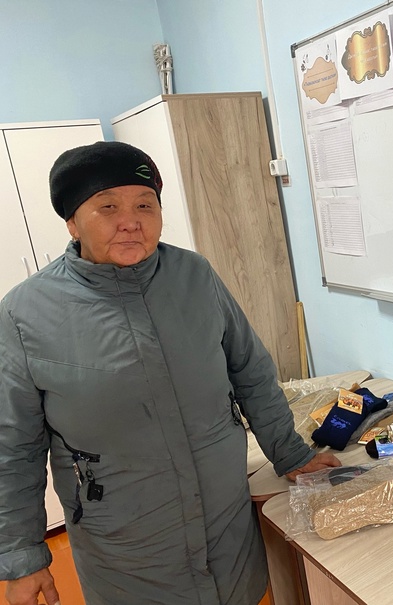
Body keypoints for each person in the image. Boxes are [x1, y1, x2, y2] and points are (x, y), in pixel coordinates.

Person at [0, 141, 341, 605]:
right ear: (72, 222)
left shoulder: (195, 276)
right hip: (124, 543)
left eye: (145, 205)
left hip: (225, 521)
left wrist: (291, 454)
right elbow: (14, 445)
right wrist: (23, 553)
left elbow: (251, 372)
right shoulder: (24, 313)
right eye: (107, 207)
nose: (131, 221)